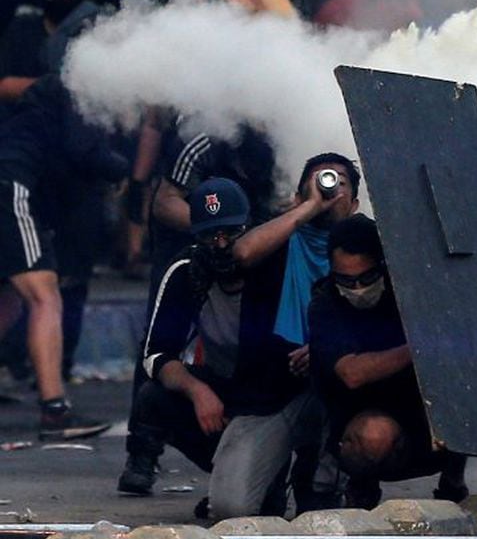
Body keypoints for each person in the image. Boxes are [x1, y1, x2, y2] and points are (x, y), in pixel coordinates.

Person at [125, 178, 332, 517]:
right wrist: (197, 390)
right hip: (248, 402)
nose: (221, 245)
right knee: (231, 508)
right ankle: (260, 477)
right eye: (210, 236)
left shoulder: (280, 258)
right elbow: (156, 353)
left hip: (299, 391)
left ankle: (320, 482)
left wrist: (309, 207)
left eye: (231, 234)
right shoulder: (185, 271)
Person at [308, 214, 468, 509]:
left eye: (366, 278)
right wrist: (421, 347)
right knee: (373, 437)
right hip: (360, 414)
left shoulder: (410, 293)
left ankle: (453, 475)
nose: (357, 288)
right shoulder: (326, 303)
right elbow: (352, 373)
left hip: (421, 416)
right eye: (346, 279)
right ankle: (362, 481)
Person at [0, 75, 128, 439]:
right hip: (11, 189)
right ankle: (55, 411)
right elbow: (85, 151)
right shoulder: (76, 94)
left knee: (8, 300)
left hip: (11, 185)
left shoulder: (39, 104)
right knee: (45, 296)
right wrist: (122, 169)